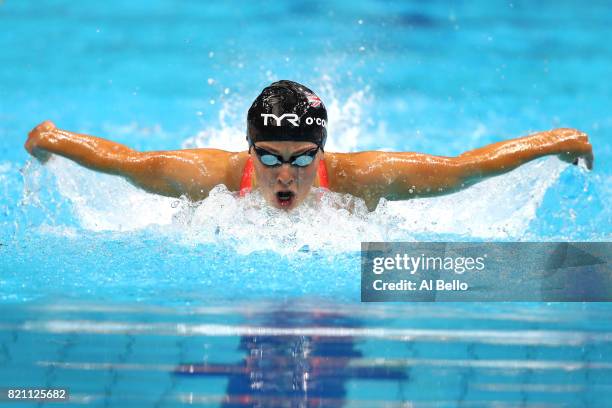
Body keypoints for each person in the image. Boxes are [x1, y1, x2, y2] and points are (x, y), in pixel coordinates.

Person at [24, 80, 593, 211]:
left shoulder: (360, 179)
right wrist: (52, 140)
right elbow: (128, 161)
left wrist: (553, 142)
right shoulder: (209, 177)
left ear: (322, 155)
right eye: (269, 158)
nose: (285, 176)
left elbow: (461, 168)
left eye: (301, 159)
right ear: (249, 152)